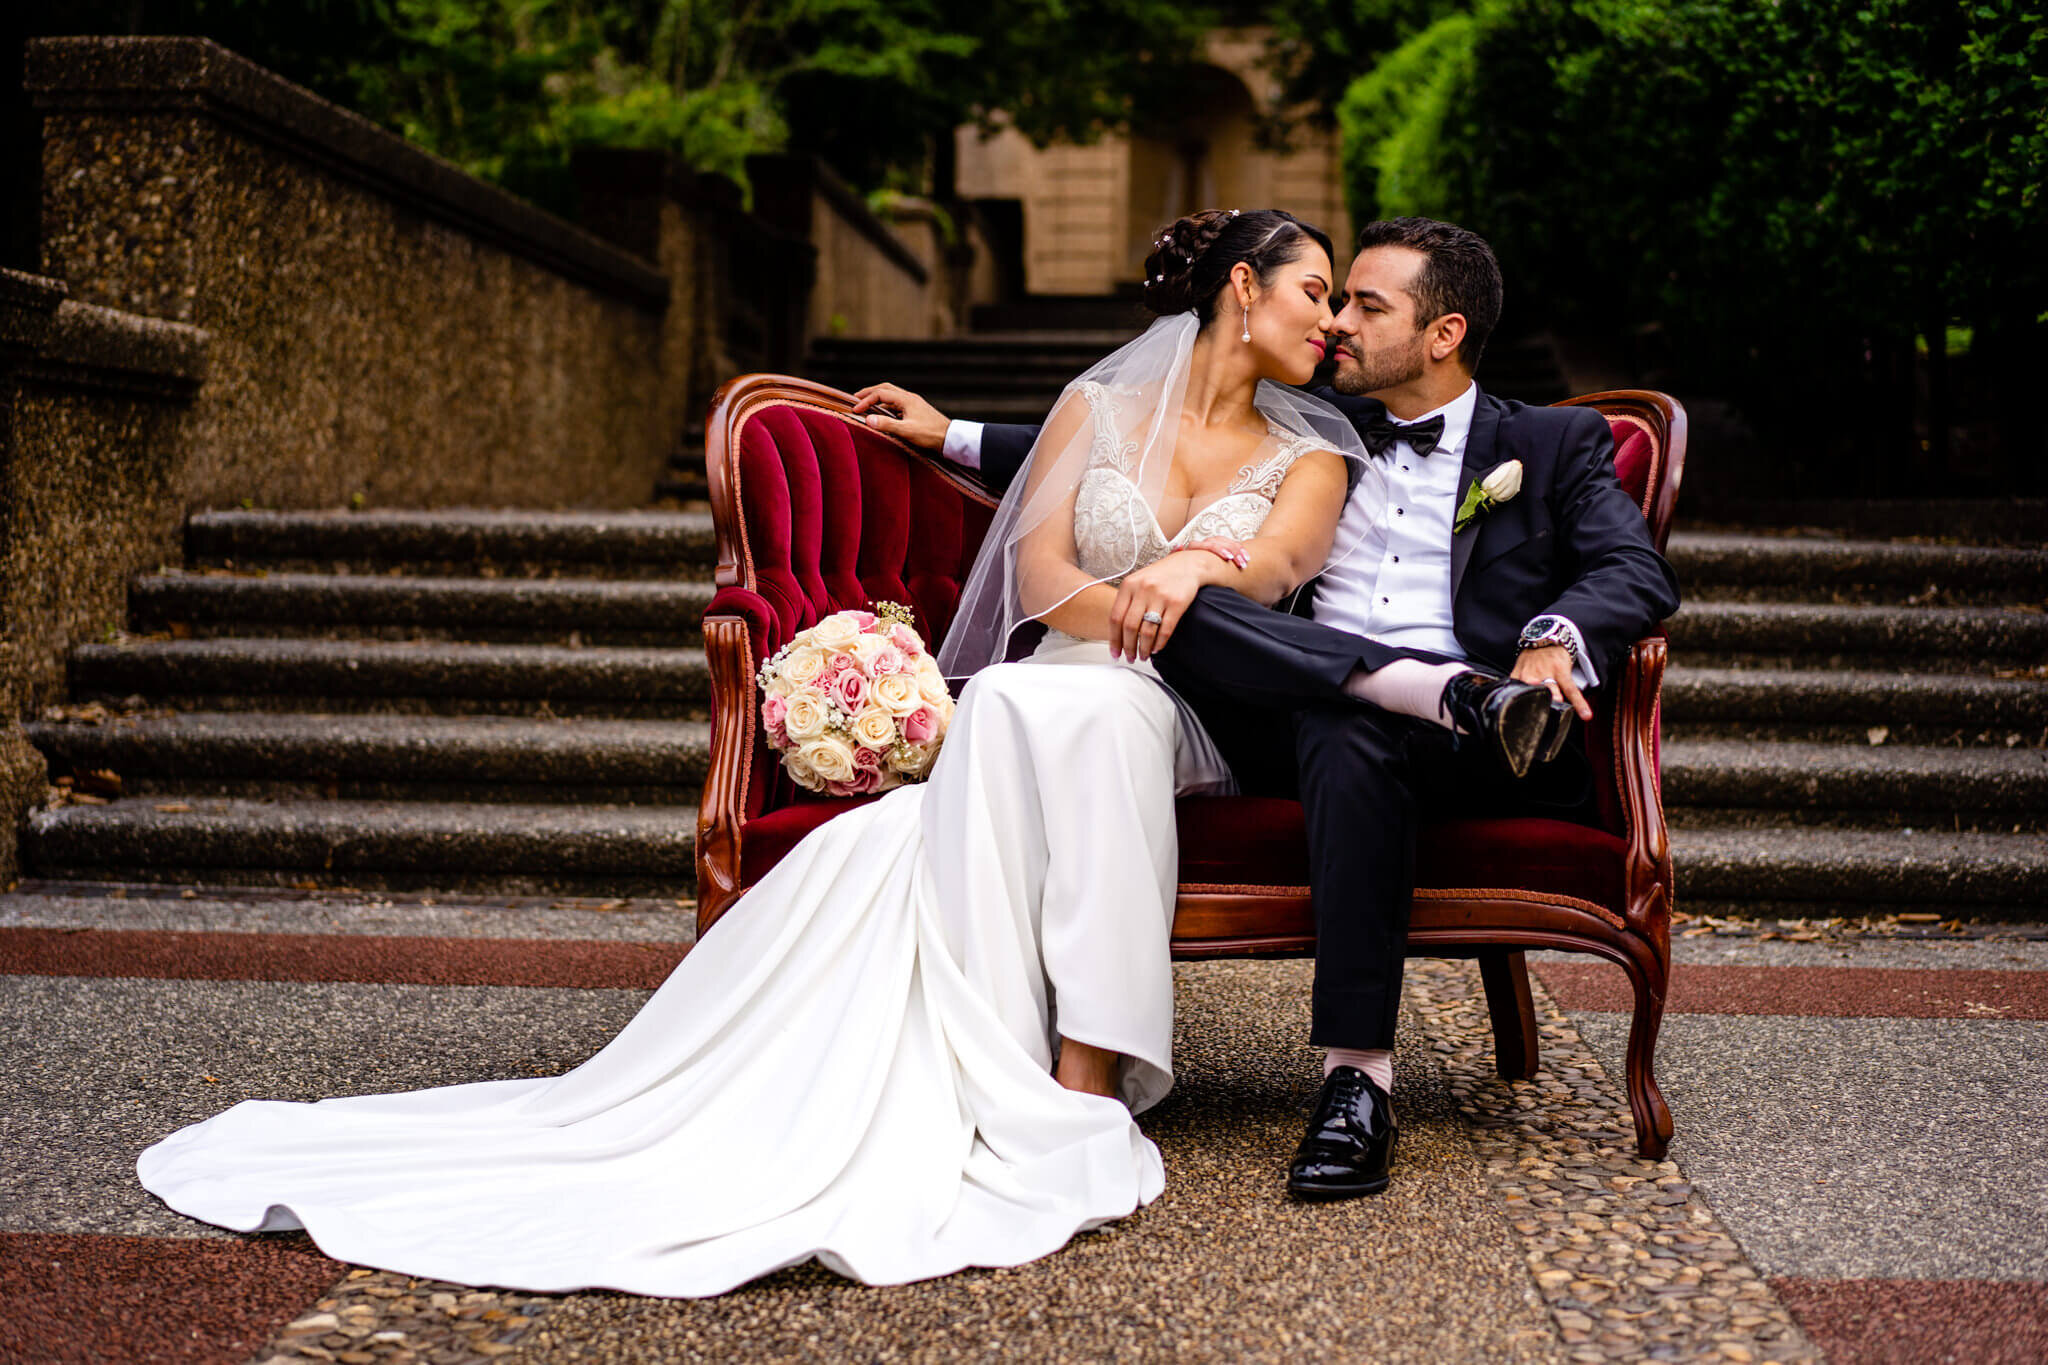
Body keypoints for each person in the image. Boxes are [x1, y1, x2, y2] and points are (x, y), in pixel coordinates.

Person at [137, 209, 1381, 1296]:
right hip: (1061, 672)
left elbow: (1269, 575)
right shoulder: (1093, 409)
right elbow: (1044, 579)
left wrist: (1182, 589)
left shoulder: (1313, 449)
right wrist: (1145, 592)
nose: (1327, 322)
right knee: (1013, 704)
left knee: (1099, 711)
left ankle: (1084, 1071)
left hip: (1190, 703)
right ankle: (1017, 1061)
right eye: (1313, 292)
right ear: (1240, 289)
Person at [855, 216, 1681, 1201]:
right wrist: (949, 434)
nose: (1334, 326)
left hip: (1491, 741)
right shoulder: (1315, 430)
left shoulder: (1547, 444)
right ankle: (1355, 1081)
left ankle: (1456, 699)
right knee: (1218, 622)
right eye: (1328, 299)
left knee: (1216, 616)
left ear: (1442, 334)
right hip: (1300, 717)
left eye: (1364, 307)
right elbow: (1139, 436)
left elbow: (1632, 568)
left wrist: (1551, 636)